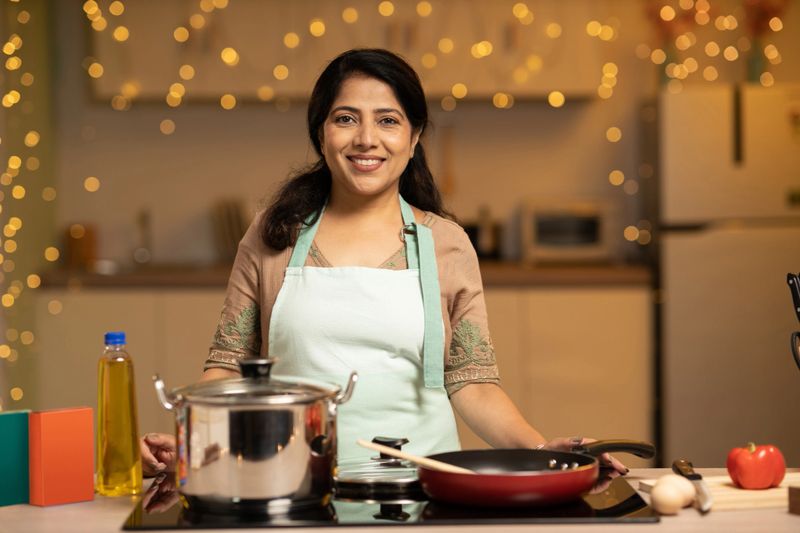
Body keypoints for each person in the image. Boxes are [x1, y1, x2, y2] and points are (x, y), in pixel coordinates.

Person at [141, 48, 627, 476]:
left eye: (388, 120)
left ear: (414, 138)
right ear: (321, 132)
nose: (366, 139)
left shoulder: (446, 244)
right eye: (346, 118)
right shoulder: (275, 235)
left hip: (426, 485)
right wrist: (189, 439)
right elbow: (227, 368)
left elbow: (472, 384)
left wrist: (543, 452)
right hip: (297, 484)